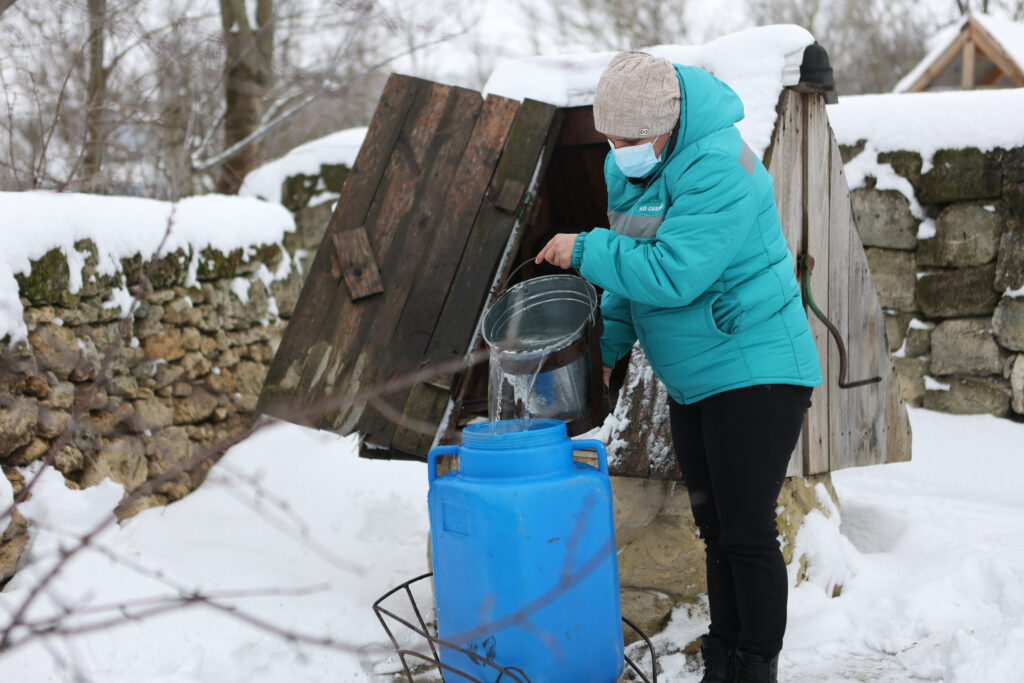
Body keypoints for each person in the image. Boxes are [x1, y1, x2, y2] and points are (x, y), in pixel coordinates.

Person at [535, 51, 822, 683]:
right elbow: (629, 274)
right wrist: (605, 354)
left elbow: (672, 274)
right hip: (696, 378)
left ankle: (755, 666)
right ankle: (724, 654)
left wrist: (584, 249)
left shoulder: (720, 166)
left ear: (666, 126)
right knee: (715, 528)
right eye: (610, 139)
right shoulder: (628, 165)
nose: (619, 151)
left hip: (757, 370)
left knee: (746, 531)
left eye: (631, 139)